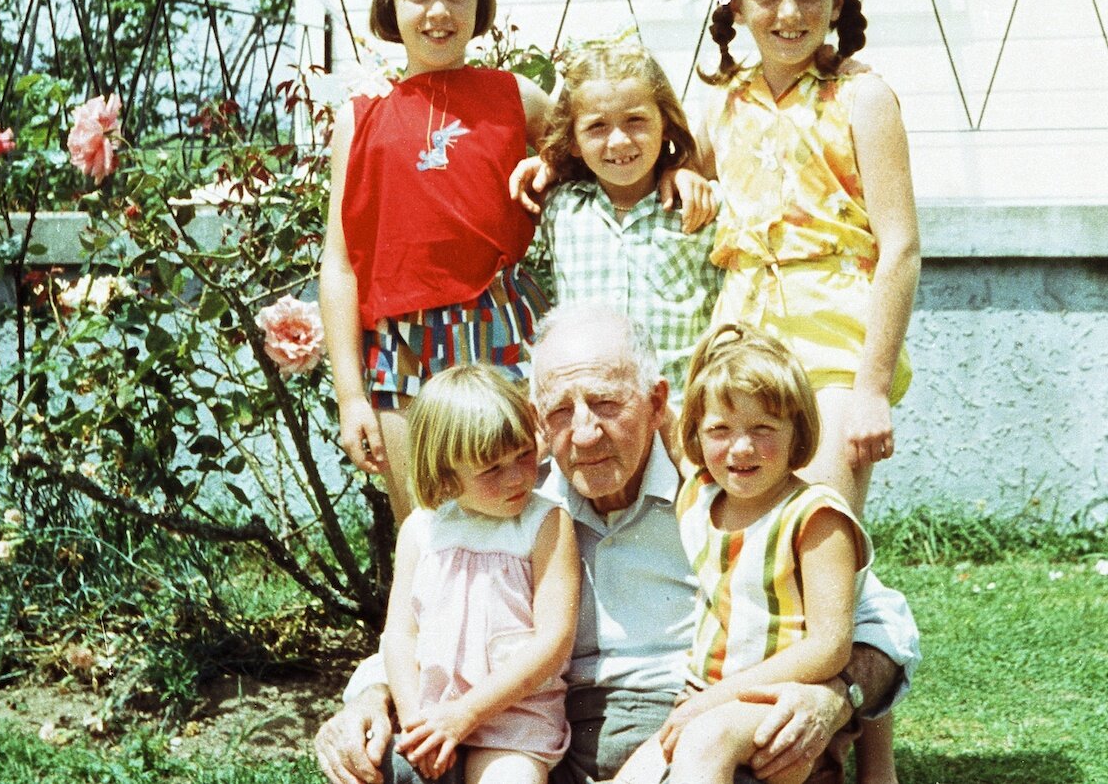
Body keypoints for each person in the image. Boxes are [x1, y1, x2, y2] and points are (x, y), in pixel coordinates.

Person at [314, 303, 919, 784]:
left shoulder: (721, 496)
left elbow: (882, 621)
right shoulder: (515, 501)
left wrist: (838, 698)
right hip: (542, 728)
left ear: (657, 403)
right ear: (534, 416)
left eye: (606, 403)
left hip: (684, 723)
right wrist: (367, 696)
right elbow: (437, 617)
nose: (584, 432)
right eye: (559, 410)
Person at [695, 0, 920, 784]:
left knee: (817, 539)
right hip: (742, 327)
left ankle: (867, 755)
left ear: (837, 0)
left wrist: (869, 387)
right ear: (734, 4)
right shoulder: (723, 104)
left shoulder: (862, 96)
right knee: (742, 533)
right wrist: (551, 161)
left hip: (832, 327)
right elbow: (640, 149)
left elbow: (898, 245)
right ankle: (770, 739)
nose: (788, 14)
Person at [322, 0, 552, 522]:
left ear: (479, 7)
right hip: (403, 345)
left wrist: (553, 166)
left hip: (498, 325)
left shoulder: (515, 96)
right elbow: (341, 266)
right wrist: (351, 396)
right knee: (424, 528)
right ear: (389, 7)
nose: (438, 12)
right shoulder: (361, 117)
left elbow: (596, 158)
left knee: (521, 514)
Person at [611, 325, 867, 784]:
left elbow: (831, 647)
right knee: (630, 778)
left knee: (706, 740)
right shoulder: (702, 498)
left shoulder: (815, 517)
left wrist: (714, 700)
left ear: (797, 432)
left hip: (782, 709)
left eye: (763, 429)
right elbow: (671, 423)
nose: (741, 447)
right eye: (720, 430)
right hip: (706, 698)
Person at [380, 365, 580, 783]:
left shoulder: (545, 522)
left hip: (514, 719)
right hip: (433, 714)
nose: (517, 477)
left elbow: (553, 640)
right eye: (491, 469)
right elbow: (400, 635)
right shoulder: (422, 529)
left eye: (524, 454)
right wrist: (417, 721)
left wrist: (467, 713)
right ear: (446, 472)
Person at [535, 35, 721, 386]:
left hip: (681, 406)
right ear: (573, 141)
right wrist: (540, 164)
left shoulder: (700, 205)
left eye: (636, 120)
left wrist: (685, 170)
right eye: (597, 126)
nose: (619, 141)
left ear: (664, 124)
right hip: (591, 408)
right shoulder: (559, 208)